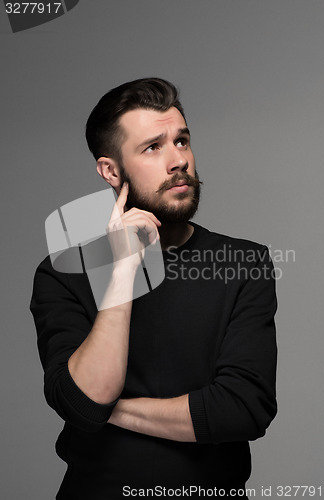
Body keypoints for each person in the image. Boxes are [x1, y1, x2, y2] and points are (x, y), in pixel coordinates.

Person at [30, 78, 278, 499]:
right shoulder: (64, 273)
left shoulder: (243, 262)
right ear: (110, 170)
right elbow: (87, 395)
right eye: (153, 147)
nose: (177, 160)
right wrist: (124, 270)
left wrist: (107, 412)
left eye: (182, 141)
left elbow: (242, 410)